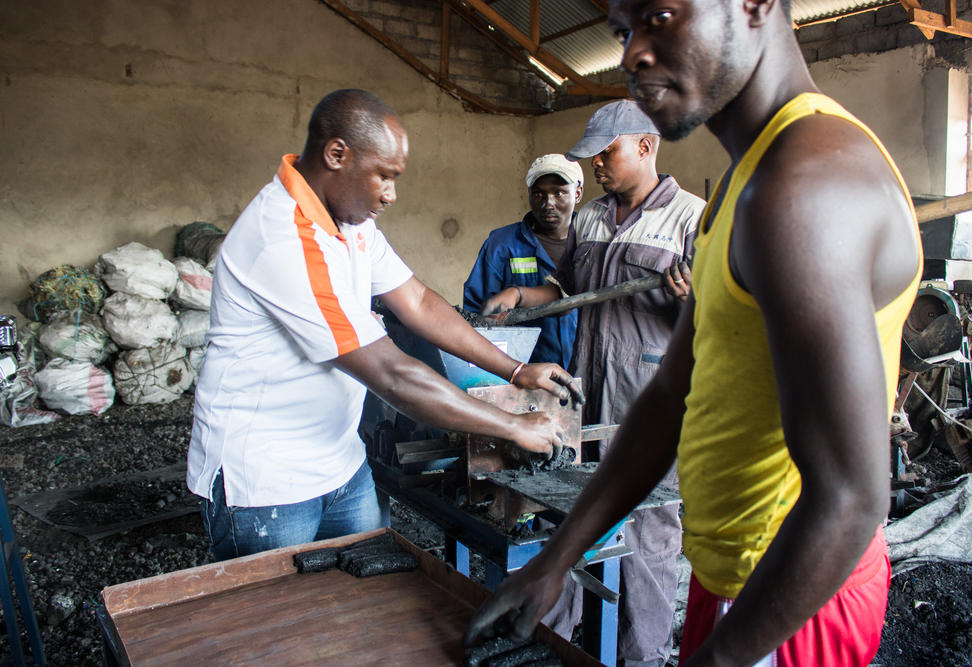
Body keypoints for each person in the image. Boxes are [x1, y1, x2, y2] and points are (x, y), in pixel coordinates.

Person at [466, 0, 922, 664]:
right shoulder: (746, 184)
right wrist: (555, 561)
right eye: (625, 31)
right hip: (733, 575)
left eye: (659, 15)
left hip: (796, 596)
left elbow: (851, 498)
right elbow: (670, 395)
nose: (631, 55)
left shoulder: (803, 188)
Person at [187, 89, 583, 562]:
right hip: (265, 485)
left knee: (367, 605)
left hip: (340, 462)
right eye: (385, 176)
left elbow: (416, 300)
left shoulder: (351, 221)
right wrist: (512, 426)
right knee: (282, 629)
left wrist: (516, 371)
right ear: (337, 154)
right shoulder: (283, 239)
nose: (391, 195)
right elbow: (392, 374)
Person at [483, 99, 705, 665]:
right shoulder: (590, 219)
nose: (598, 166)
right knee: (570, 511)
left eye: (607, 153)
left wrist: (687, 301)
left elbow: (713, 327)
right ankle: (556, 642)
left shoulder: (690, 219)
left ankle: (641, 654)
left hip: (648, 401)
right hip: (586, 395)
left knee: (648, 533)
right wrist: (521, 296)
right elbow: (564, 290)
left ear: (646, 146)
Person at [463, 154, 584, 368]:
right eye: (539, 194)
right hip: (523, 372)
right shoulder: (502, 244)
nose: (548, 203)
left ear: (578, 192)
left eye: (559, 192)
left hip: (585, 368)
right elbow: (475, 314)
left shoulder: (591, 244)